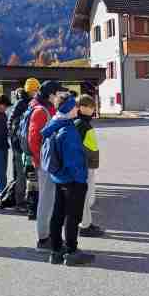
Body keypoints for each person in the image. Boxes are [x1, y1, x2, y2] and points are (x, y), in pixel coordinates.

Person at [41, 95, 94, 266]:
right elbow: (74, 161)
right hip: (73, 180)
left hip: (58, 177)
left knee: (58, 214)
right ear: (67, 109)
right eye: (73, 107)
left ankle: (56, 251)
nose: (77, 109)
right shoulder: (69, 131)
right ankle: (72, 251)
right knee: (73, 216)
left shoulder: (54, 124)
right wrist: (82, 180)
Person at [27, 80, 64, 251]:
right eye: (58, 93)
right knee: (46, 201)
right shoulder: (41, 112)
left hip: (48, 162)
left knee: (51, 200)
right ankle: (43, 239)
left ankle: (49, 235)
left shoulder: (47, 108)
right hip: (45, 164)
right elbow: (33, 140)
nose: (60, 96)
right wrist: (42, 161)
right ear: (50, 95)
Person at [75, 94, 104, 237]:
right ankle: (85, 225)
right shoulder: (81, 124)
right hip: (85, 165)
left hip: (87, 164)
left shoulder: (83, 123)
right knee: (85, 196)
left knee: (87, 195)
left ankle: (85, 222)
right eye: (90, 106)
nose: (93, 109)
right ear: (81, 107)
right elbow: (78, 146)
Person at [9, 78, 40, 212]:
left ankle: (26, 200)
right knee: (22, 174)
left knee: (27, 174)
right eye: (36, 90)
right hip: (20, 145)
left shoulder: (26, 103)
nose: (38, 92)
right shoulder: (23, 104)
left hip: (23, 144)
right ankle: (19, 202)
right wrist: (19, 139)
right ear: (31, 90)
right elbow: (11, 124)